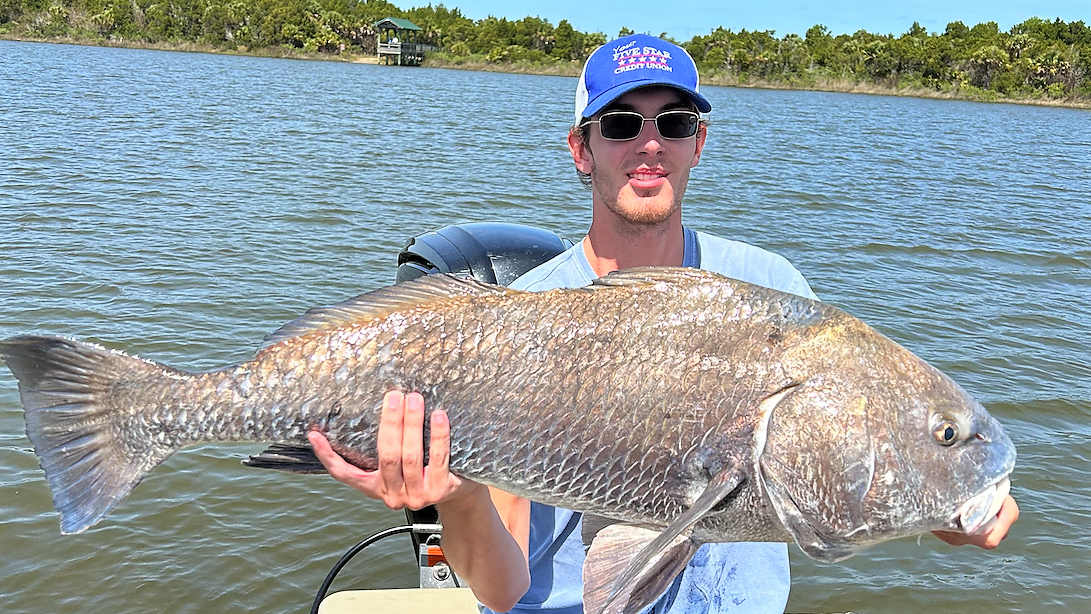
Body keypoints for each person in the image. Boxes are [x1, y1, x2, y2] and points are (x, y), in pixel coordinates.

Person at [309, 33, 1019, 614]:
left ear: (696, 145)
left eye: (672, 123)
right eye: (622, 124)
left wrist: (950, 500)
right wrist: (455, 493)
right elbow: (501, 590)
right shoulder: (521, 318)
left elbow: (851, 460)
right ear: (581, 150)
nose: (649, 143)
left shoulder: (773, 287)